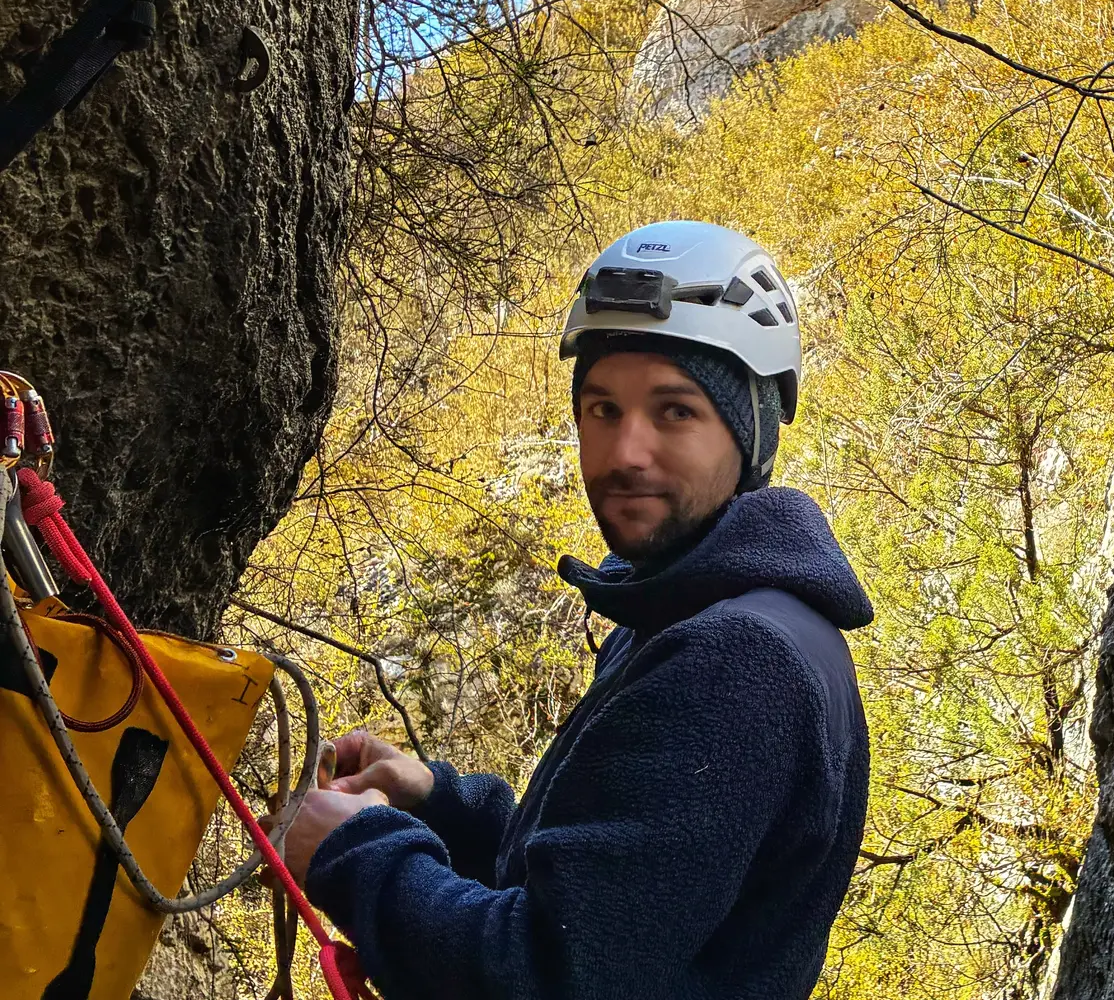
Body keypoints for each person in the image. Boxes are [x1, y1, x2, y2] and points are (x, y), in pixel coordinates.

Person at [282, 221, 874, 999]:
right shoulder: (699, 611)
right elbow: (612, 893)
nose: (626, 451)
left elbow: (545, 973)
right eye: (602, 409)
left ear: (750, 428)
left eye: (675, 412)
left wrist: (353, 851)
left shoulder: (738, 663)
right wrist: (438, 802)